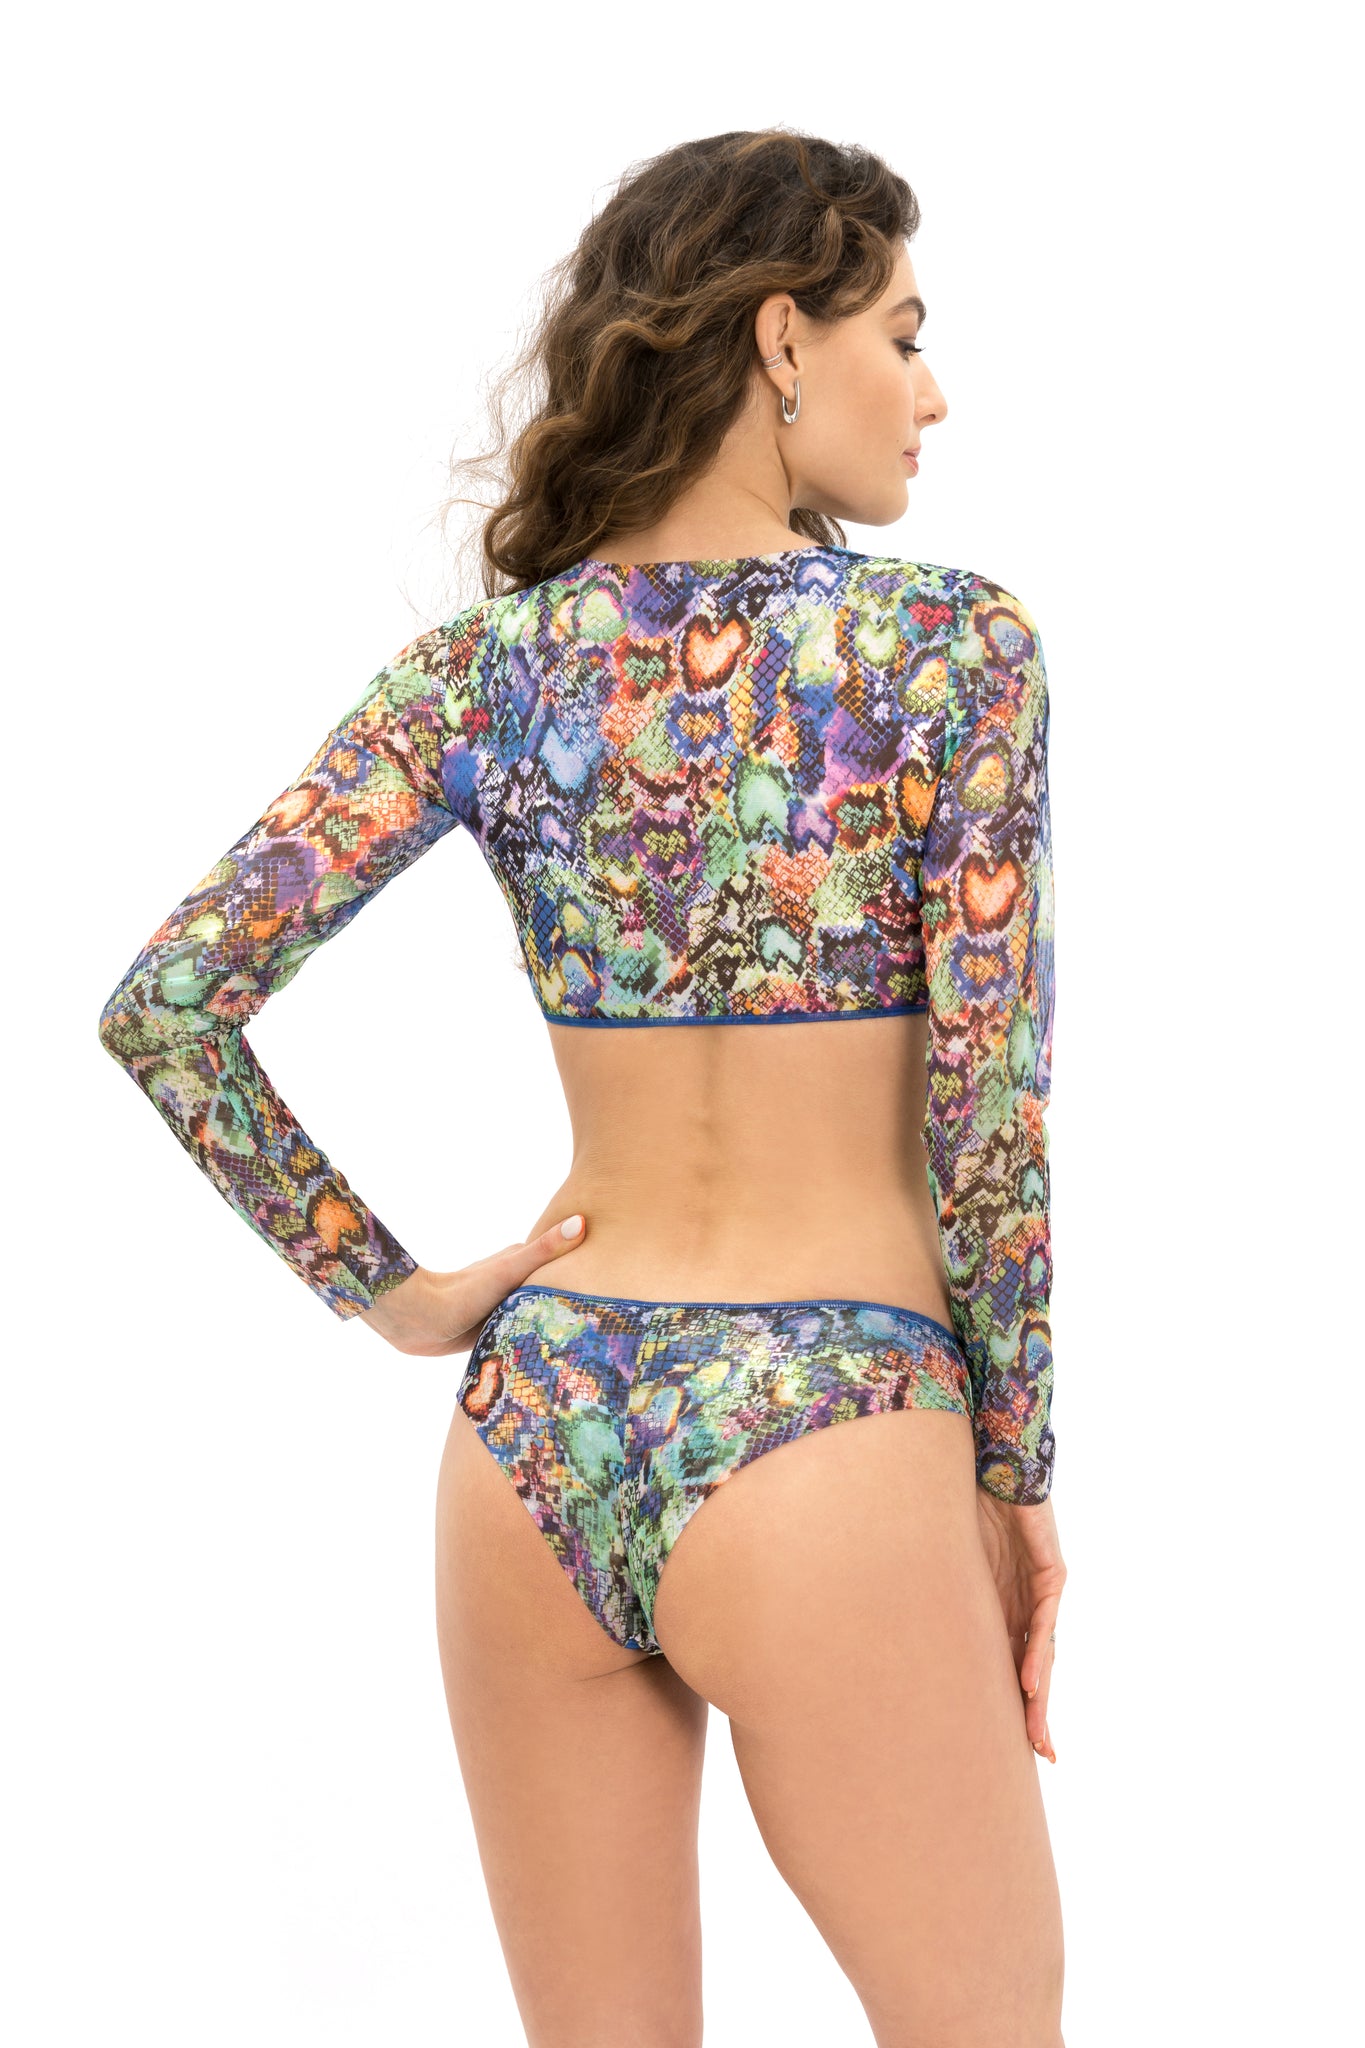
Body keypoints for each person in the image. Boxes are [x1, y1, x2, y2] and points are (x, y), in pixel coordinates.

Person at [98, 127, 1067, 2048]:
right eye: (901, 334)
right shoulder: (948, 650)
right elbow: (986, 1119)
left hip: (536, 1430)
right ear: (781, 340)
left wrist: (394, 1296)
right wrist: (1012, 1475)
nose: (931, 390)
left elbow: (171, 1009)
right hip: (829, 1417)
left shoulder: (484, 675)